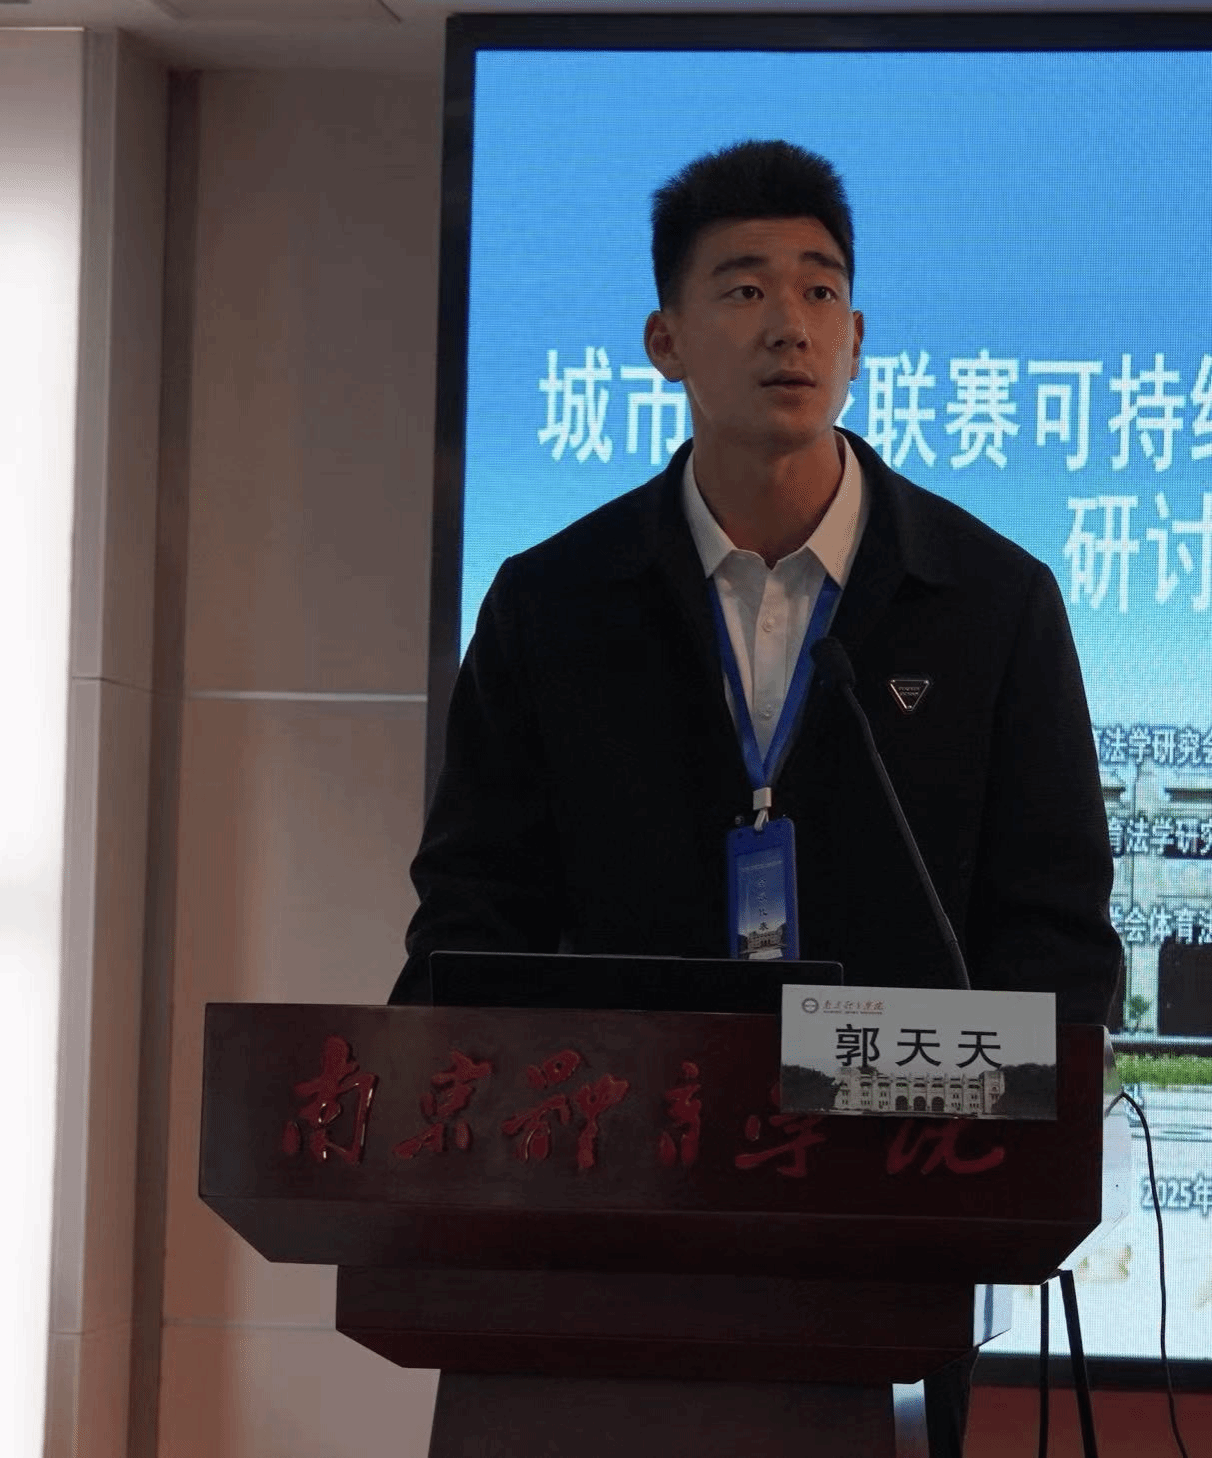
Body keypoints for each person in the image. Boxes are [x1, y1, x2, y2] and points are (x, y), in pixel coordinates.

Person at [390, 140, 1122, 1456]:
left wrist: (1006, 1116)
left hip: (884, 1245)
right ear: (664, 341)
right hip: (598, 1230)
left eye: (820, 289)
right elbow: (468, 917)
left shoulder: (991, 603)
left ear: (858, 337)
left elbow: (1055, 932)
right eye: (742, 289)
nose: (790, 323)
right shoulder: (553, 604)